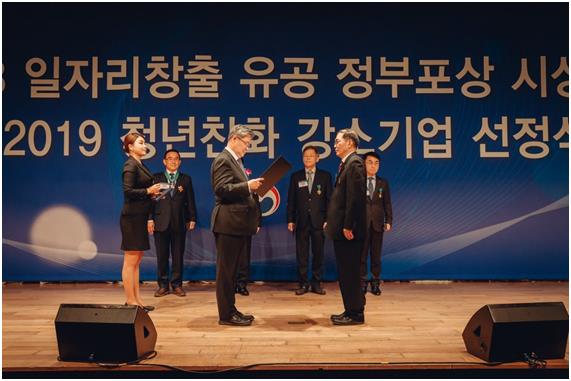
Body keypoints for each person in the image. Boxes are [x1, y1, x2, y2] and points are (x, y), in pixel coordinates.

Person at [211, 124, 263, 326]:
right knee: (226, 272)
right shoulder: (223, 159)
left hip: (237, 223)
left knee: (232, 272)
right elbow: (221, 189)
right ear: (234, 139)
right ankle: (226, 315)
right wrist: (247, 186)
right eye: (246, 144)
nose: (247, 148)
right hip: (228, 223)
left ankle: (231, 309)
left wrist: (251, 189)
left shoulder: (235, 160)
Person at [325, 129, 367, 325]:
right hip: (341, 228)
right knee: (345, 272)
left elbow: (355, 199)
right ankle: (349, 310)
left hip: (349, 231)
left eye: (338, 141)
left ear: (350, 143)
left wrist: (348, 225)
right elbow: (340, 200)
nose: (334, 145)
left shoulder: (355, 163)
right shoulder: (346, 164)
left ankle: (356, 314)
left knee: (351, 272)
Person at [120, 132, 161, 312]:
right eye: (141, 143)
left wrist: (152, 193)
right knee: (130, 260)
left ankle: (137, 300)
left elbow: (143, 190)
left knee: (137, 260)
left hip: (140, 216)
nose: (145, 146)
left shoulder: (140, 164)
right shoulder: (130, 165)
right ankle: (130, 301)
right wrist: (148, 191)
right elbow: (128, 192)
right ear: (130, 147)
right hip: (131, 218)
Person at [148, 149, 197, 298]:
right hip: (160, 222)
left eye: (176, 159)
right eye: (170, 158)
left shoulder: (185, 179)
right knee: (162, 256)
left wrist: (192, 218)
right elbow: (150, 201)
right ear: (164, 161)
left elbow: (190, 200)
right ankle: (163, 286)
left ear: (180, 162)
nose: (173, 161)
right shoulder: (156, 178)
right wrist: (149, 219)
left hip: (179, 222)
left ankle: (176, 285)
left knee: (178, 256)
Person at [286, 145, 332, 295]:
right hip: (301, 221)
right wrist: (290, 219)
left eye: (311, 156)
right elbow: (291, 200)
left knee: (318, 254)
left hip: (319, 222)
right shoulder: (296, 176)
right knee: (302, 255)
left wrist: (328, 219)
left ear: (317, 158)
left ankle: (317, 283)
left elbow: (329, 200)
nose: (307, 158)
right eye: (305, 156)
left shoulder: (325, 176)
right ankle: (303, 284)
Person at [361, 151, 393, 296]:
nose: (373, 166)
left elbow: (387, 203)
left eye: (376, 163)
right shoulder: (358, 181)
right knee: (361, 255)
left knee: (376, 255)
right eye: (370, 162)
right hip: (361, 223)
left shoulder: (383, 183)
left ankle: (375, 283)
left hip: (378, 224)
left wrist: (389, 220)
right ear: (363, 163)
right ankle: (362, 282)